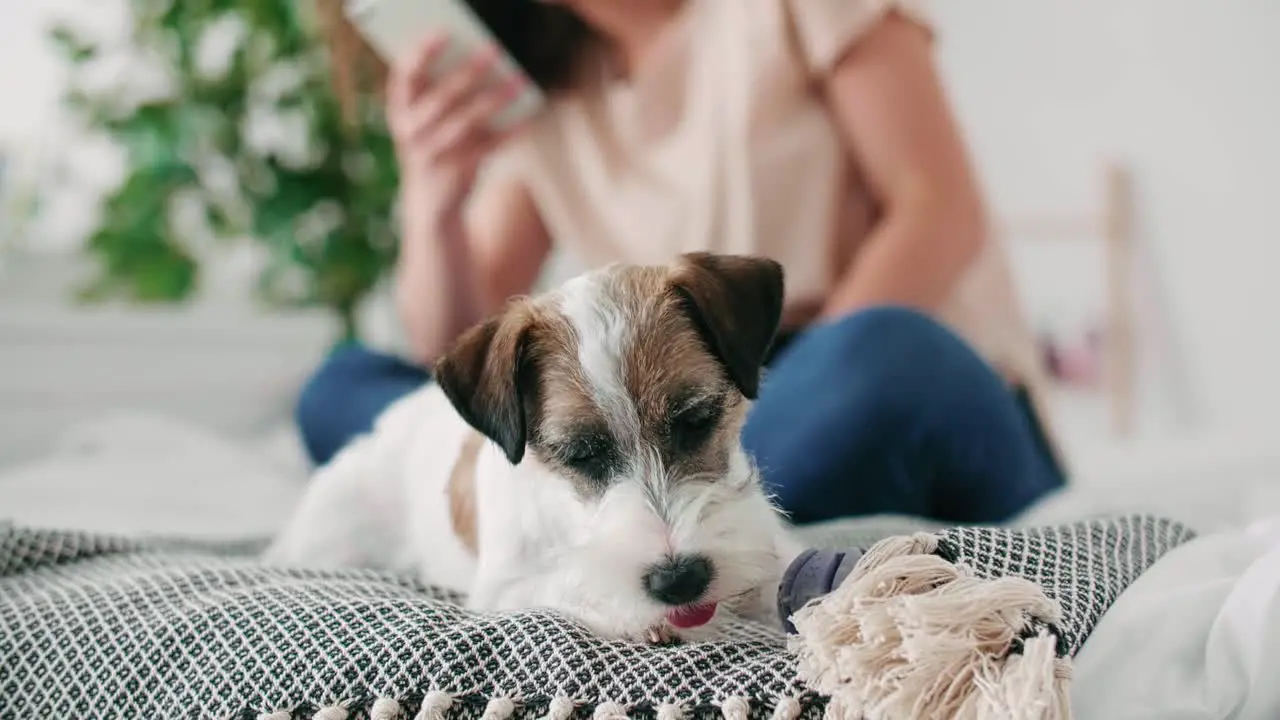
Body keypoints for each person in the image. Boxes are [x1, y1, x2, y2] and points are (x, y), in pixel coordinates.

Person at [297, 0, 1067, 525]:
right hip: (673, 438)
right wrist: (433, 197)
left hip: (852, 382)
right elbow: (464, 352)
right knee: (344, 387)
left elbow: (936, 210)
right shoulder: (547, 100)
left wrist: (749, 413)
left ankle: (605, 522)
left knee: (885, 353)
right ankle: (648, 518)